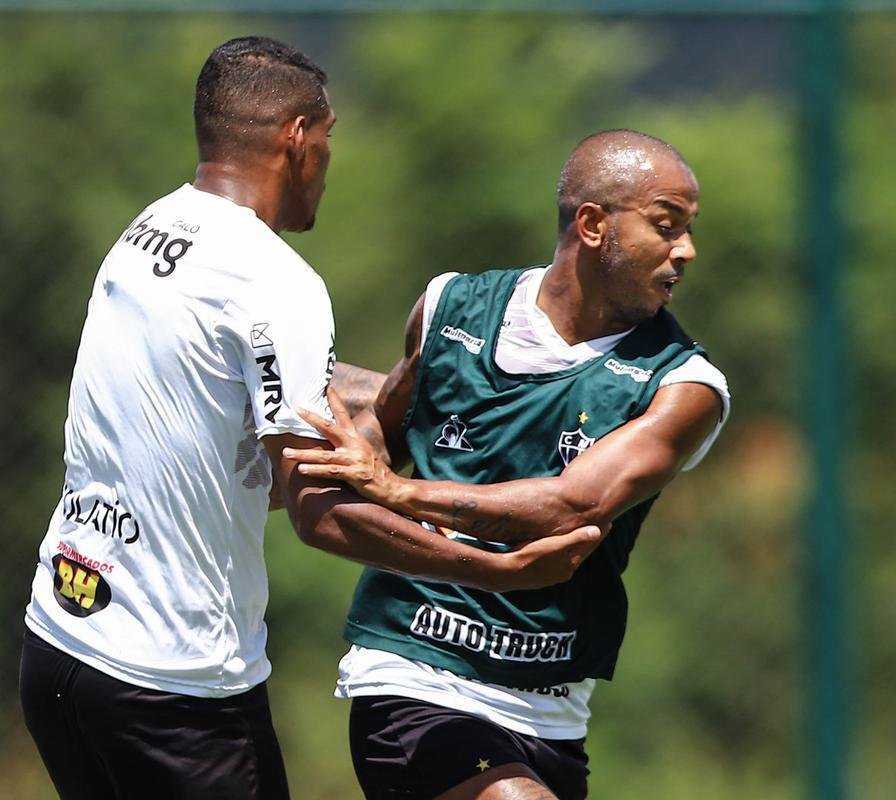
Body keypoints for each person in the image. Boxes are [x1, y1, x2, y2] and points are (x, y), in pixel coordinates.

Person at [19, 36, 597, 800]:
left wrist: (419, 386)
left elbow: (254, 403)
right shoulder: (276, 281)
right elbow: (317, 513)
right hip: (174, 682)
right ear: (297, 136)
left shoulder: (151, 231)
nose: (328, 161)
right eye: (327, 139)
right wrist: (497, 571)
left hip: (59, 647)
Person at [284, 129, 731, 800]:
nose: (685, 251)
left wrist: (396, 491)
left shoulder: (683, 386)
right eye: (666, 227)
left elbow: (569, 507)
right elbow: (381, 435)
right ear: (592, 225)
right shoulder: (449, 310)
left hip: (549, 713)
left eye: (688, 230)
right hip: (415, 677)